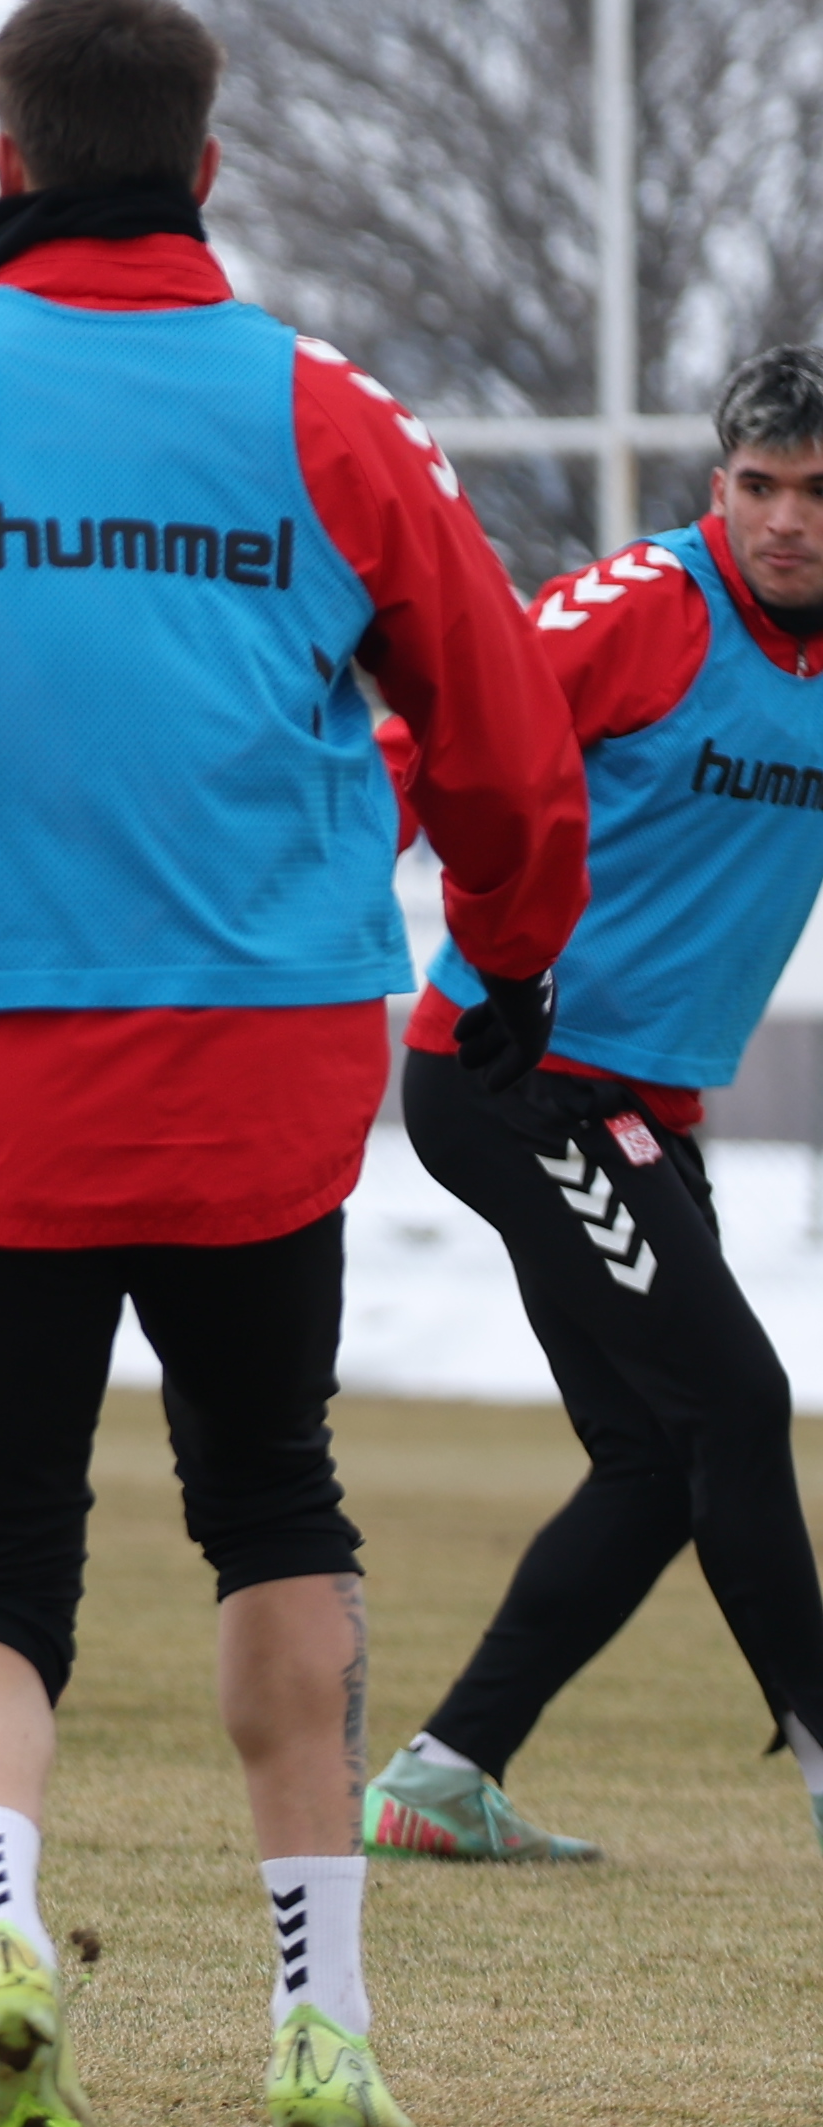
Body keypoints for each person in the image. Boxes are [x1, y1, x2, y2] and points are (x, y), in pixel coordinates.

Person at [0, 0, 587, 2127]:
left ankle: (1, 1939)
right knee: (277, 1504)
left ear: (4, 143)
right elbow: (500, 745)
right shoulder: (328, 414)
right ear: (206, 158)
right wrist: (517, 946)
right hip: (261, 1066)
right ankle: (323, 2024)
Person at [363, 346, 823, 1867]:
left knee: (659, 1458)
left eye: (817, 494)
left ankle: (444, 1776)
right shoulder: (649, 608)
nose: (786, 522)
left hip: (637, 1105)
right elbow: (439, 741)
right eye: (758, 487)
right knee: (739, 1407)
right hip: (514, 1079)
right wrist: (300, 904)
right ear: (719, 487)